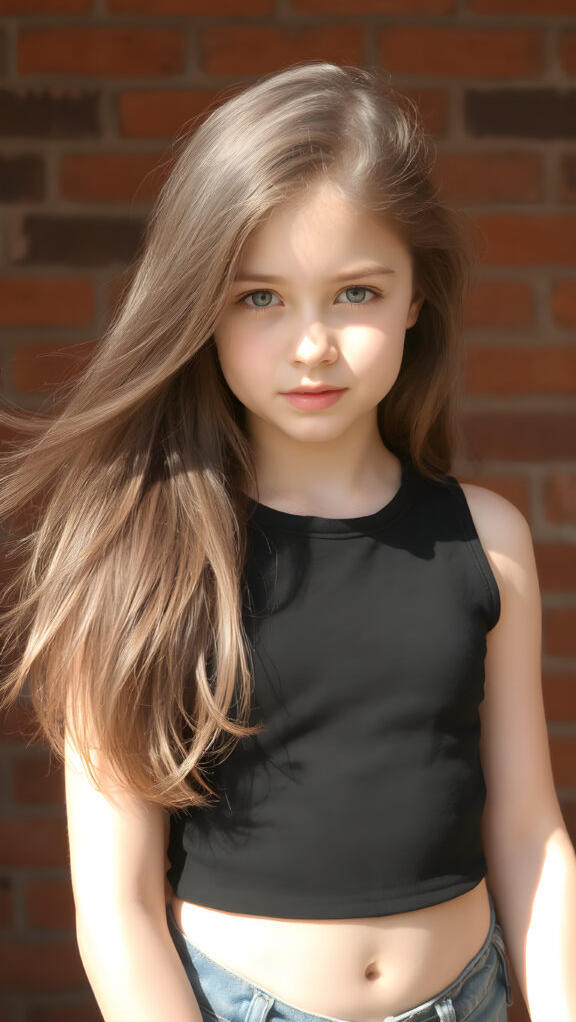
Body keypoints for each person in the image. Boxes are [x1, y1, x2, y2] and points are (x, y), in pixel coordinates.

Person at [0, 61, 574, 1022]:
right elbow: (115, 910)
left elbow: (528, 836)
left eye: (356, 293)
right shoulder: (133, 547)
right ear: (201, 307)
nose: (312, 344)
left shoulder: (491, 541)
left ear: (415, 299)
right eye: (260, 297)